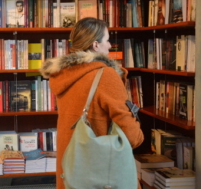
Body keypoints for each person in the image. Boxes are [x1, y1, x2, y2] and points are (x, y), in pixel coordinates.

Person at [40, 17, 144, 189]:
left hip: (71, 168)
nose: (110, 46)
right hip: (100, 171)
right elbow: (132, 137)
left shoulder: (62, 74)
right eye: (108, 40)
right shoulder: (105, 75)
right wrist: (139, 137)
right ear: (95, 45)